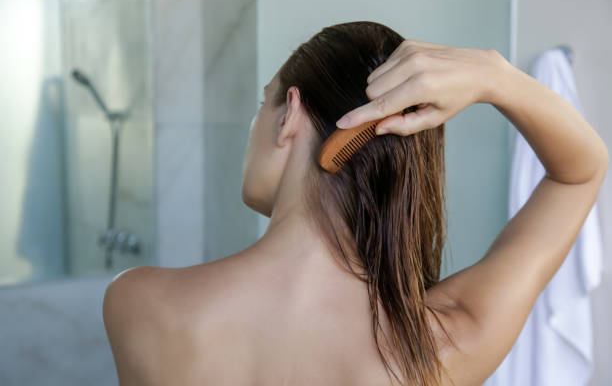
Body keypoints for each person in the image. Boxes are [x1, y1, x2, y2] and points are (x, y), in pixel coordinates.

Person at [102, 21, 608, 386]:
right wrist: (496, 78)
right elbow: (581, 172)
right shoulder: (443, 344)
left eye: (265, 103)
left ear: (289, 116)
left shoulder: (141, 305)